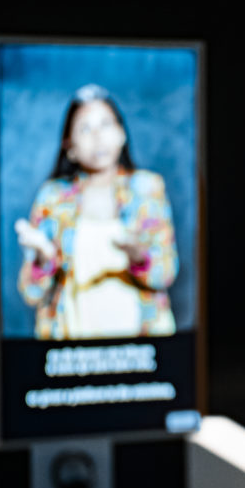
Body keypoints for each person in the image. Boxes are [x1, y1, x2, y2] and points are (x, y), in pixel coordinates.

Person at [15, 84, 178, 340]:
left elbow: (165, 274)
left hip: (140, 347)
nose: (97, 136)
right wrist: (43, 258)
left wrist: (138, 256)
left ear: (122, 133)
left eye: (105, 124)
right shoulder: (53, 197)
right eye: (85, 128)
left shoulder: (147, 189)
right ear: (69, 145)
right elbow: (31, 293)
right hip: (73, 349)